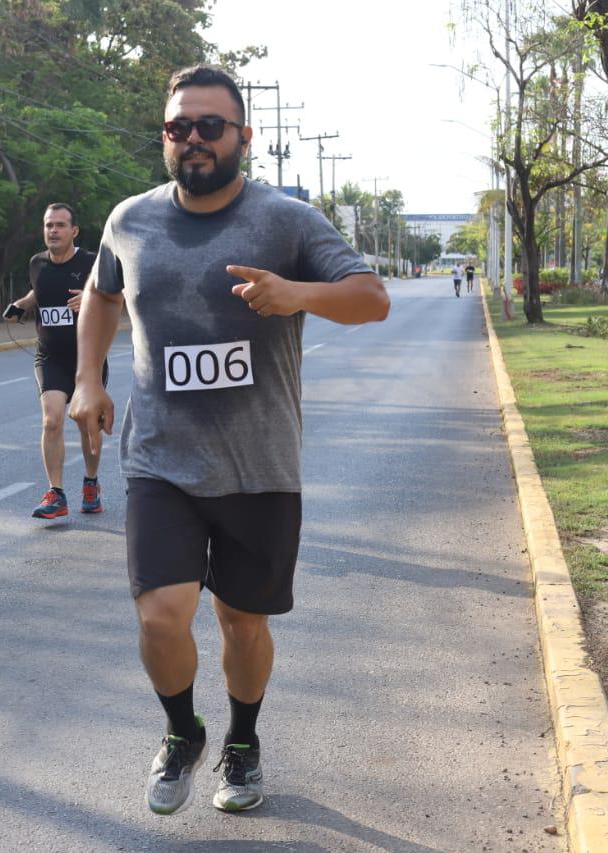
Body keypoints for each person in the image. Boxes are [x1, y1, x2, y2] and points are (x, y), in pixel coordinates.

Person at [70, 65, 389, 816]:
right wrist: (89, 379)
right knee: (159, 613)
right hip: (160, 460)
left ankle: (243, 741)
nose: (194, 140)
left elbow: (371, 298)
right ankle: (184, 730)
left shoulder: (286, 221)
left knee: (242, 624)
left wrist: (297, 294)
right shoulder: (130, 219)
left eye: (210, 126)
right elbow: (100, 293)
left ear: (245, 136)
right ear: (165, 139)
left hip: (259, 464)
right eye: (179, 128)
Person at [6, 203, 107, 519]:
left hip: (86, 358)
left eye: (60, 225)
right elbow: (39, 291)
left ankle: (91, 484)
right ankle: (56, 493)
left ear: (73, 231)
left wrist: (92, 298)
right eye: (49, 225)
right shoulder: (37, 263)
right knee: (51, 420)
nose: (53, 231)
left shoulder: (92, 262)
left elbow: (116, 294)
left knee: (86, 423)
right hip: (49, 356)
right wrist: (20, 305)